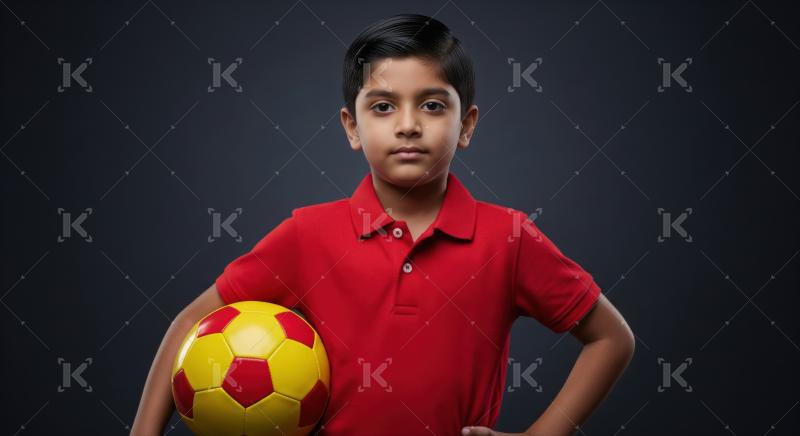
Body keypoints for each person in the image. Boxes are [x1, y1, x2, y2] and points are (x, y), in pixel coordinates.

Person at [131, 13, 635, 436]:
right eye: (383, 106)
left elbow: (611, 338)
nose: (408, 123)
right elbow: (189, 326)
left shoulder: (509, 238)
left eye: (433, 105)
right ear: (352, 126)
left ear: (468, 125)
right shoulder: (307, 236)